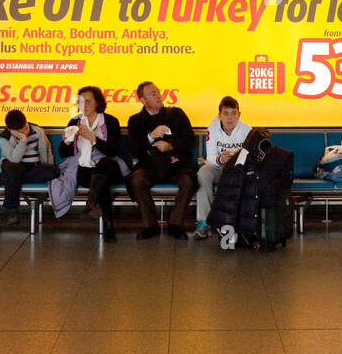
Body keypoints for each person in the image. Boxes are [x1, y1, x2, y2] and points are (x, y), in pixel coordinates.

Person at [126, 80, 196, 240]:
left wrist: (170, 146)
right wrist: (150, 137)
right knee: (137, 179)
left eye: (158, 92)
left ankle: (176, 225)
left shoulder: (176, 114)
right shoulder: (135, 120)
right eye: (153, 94)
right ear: (143, 100)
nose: (158, 95)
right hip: (150, 167)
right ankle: (150, 225)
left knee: (188, 181)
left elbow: (189, 140)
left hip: (175, 165)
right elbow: (134, 149)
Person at [55, 86, 125, 243]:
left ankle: (92, 204)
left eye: (88, 101)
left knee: (105, 165)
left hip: (109, 165)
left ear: (97, 103)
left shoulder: (111, 121)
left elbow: (113, 151)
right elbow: (62, 153)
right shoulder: (74, 121)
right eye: (80, 102)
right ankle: (107, 224)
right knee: (100, 180)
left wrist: (94, 138)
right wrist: (66, 141)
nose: (83, 105)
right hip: (84, 169)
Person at [194, 96, 252, 240]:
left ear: (239, 114)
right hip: (219, 167)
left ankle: (239, 223)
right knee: (203, 173)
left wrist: (235, 160)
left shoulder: (247, 130)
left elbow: (251, 157)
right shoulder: (212, 128)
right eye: (226, 113)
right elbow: (211, 157)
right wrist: (221, 159)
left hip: (239, 170)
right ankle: (204, 223)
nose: (230, 118)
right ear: (220, 115)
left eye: (233, 113)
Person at [0, 109, 56, 225]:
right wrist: (23, 140)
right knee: (12, 169)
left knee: (53, 171)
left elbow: (47, 149)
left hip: (33, 168)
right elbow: (14, 159)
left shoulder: (37, 131)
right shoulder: (5, 137)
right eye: (21, 131)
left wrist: (48, 165)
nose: (25, 132)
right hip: (14, 165)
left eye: (25, 128)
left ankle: (10, 180)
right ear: (11, 130)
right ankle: (12, 211)